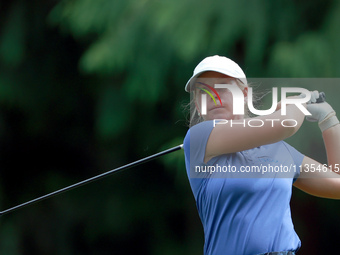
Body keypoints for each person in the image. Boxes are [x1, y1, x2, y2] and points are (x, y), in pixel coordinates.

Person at [183, 55, 340, 255]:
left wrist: (328, 120)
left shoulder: (280, 150)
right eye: (204, 92)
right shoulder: (199, 138)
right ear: (197, 104)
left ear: (245, 94)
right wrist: (298, 102)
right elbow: (287, 123)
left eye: (223, 87)